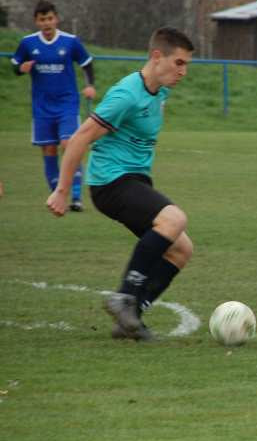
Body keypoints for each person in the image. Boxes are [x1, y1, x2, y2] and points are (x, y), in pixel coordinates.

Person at [46, 27, 195, 341]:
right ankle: (124, 296)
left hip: (135, 180)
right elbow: (79, 139)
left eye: (186, 65)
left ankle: (130, 321)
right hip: (110, 183)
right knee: (174, 218)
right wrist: (62, 190)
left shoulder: (161, 91)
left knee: (181, 249)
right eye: (178, 63)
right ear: (157, 57)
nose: (183, 71)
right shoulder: (126, 94)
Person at [11, 0, 96, 211]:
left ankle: (76, 197)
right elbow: (14, 65)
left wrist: (90, 85)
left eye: (50, 18)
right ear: (36, 21)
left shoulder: (70, 41)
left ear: (56, 19)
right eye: (42, 19)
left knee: (69, 145)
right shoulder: (28, 43)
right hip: (42, 107)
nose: (47, 23)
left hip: (67, 104)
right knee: (49, 149)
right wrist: (21, 68)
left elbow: (87, 63)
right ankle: (57, 197)